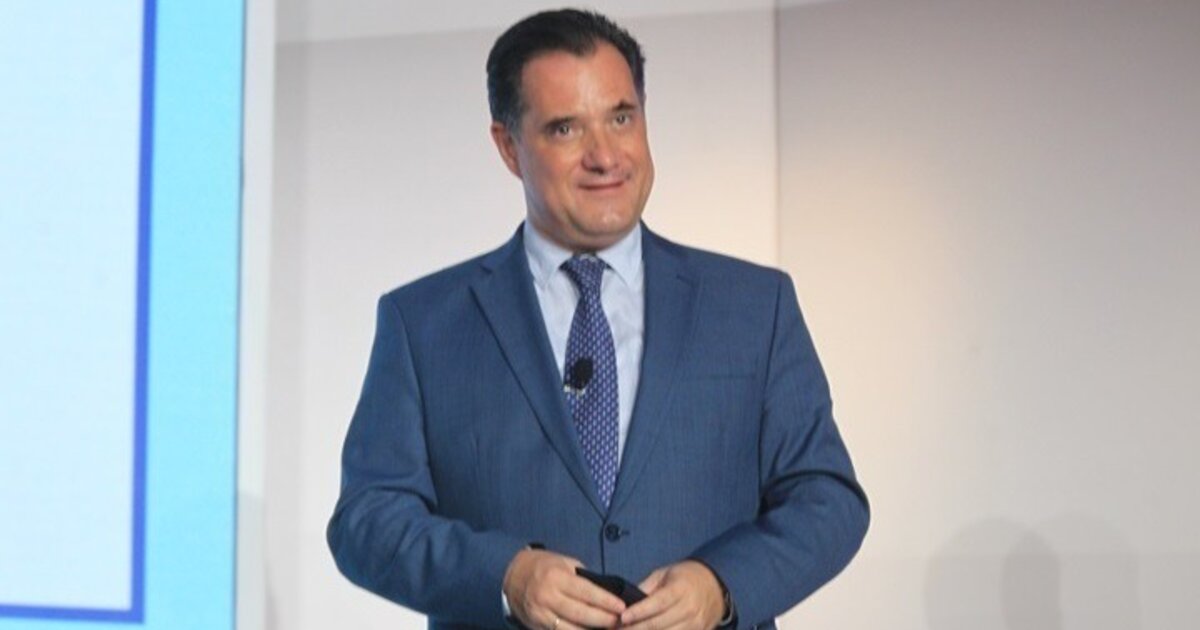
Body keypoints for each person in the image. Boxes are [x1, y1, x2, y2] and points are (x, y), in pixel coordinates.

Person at [327, 9, 868, 630]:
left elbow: (827, 500)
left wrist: (721, 585)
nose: (605, 156)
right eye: (565, 129)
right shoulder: (424, 324)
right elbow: (367, 520)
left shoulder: (754, 307)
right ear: (508, 146)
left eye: (621, 118)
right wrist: (505, 576)